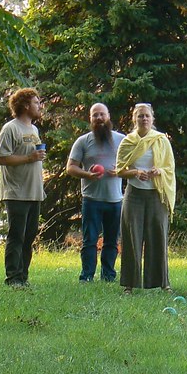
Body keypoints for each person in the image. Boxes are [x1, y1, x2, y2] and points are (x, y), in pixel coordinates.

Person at [115, 103, 176, 293]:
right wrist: (135, 172)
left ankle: (162, 283)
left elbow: (170, 168)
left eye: (147, 116)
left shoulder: (161, 140)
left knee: (158, 236)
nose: (144, 119)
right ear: (134, 119)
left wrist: (159, 171)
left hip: (156, 195)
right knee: (132, 237)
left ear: (152, 118)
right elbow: (120, 170)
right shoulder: (128, 142)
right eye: (140, 116)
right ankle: (129, 284)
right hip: (134, 195)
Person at [66, 103, 126, 283]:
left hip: (115, 200)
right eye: (95, 115)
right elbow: (70, 168)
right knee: (89, 241)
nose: (99, 118)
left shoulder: (122, 140)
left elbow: (133, 165)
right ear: (90, 119)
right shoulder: (83, 141)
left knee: (111, 242)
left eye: (102, 114)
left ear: (109, 117)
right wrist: (87, 174)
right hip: (92, 200)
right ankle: (87, 276)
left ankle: (108, 276)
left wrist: (121, 170)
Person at [0, 88, 47, 287]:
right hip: (16, 192)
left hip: (34, 192)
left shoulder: (34, 130)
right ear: (26, 105)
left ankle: (23, 277)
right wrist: (29, 158)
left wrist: (36, 158)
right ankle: (13, 278)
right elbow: (1, 158)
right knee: (16, 235)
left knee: (29, 237)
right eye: (36, 102)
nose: (39, 106)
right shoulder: (10, 129)